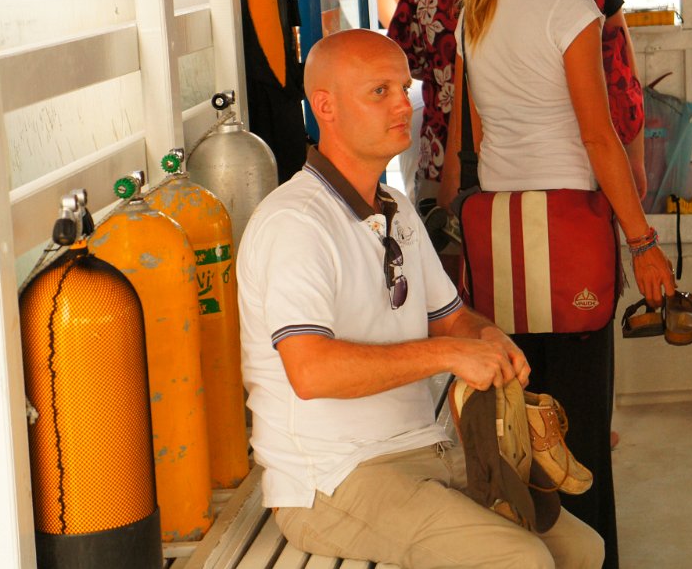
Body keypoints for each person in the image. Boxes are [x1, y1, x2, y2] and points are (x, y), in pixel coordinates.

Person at [237, 28, 604, 568]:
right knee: (521, 560)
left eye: (403, 89)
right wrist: (452, 355)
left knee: (582, 550)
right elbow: (311, 372)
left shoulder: (395, 206)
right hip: (331, 478)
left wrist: (486, 338)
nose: (402, 106)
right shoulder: (296, 222)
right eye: (379, 91)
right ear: (325, 107)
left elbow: (449, 318)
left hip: (421, 448)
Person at [437, 0, 676, 567]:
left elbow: (477, 138)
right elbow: (598, 138)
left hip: (502, 245)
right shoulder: (569, 9)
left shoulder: (476, 11)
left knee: (522, 428)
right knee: (579, 437)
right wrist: (643, 243)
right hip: (571, 241)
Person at [387, 0, 645, 205]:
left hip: (460, 167)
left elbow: (406, 62)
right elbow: (623, 73)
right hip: (575, 180)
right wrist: (634, 160)